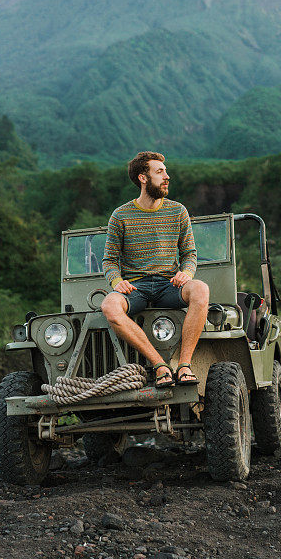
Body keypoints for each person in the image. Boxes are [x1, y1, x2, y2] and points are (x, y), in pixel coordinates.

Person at [101, 151, 209, 388]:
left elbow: (189, 254)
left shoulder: (178, 211)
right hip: (135, 288)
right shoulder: (120, 215)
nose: (167, 176)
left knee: (200, 289)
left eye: (165, 171)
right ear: (143, 178)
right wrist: (116, 281)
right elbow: (109, 260)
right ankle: (160, 365)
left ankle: (184, 366)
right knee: (109, 305)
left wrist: (187, 273)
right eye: (160, 172)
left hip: (169, 285)